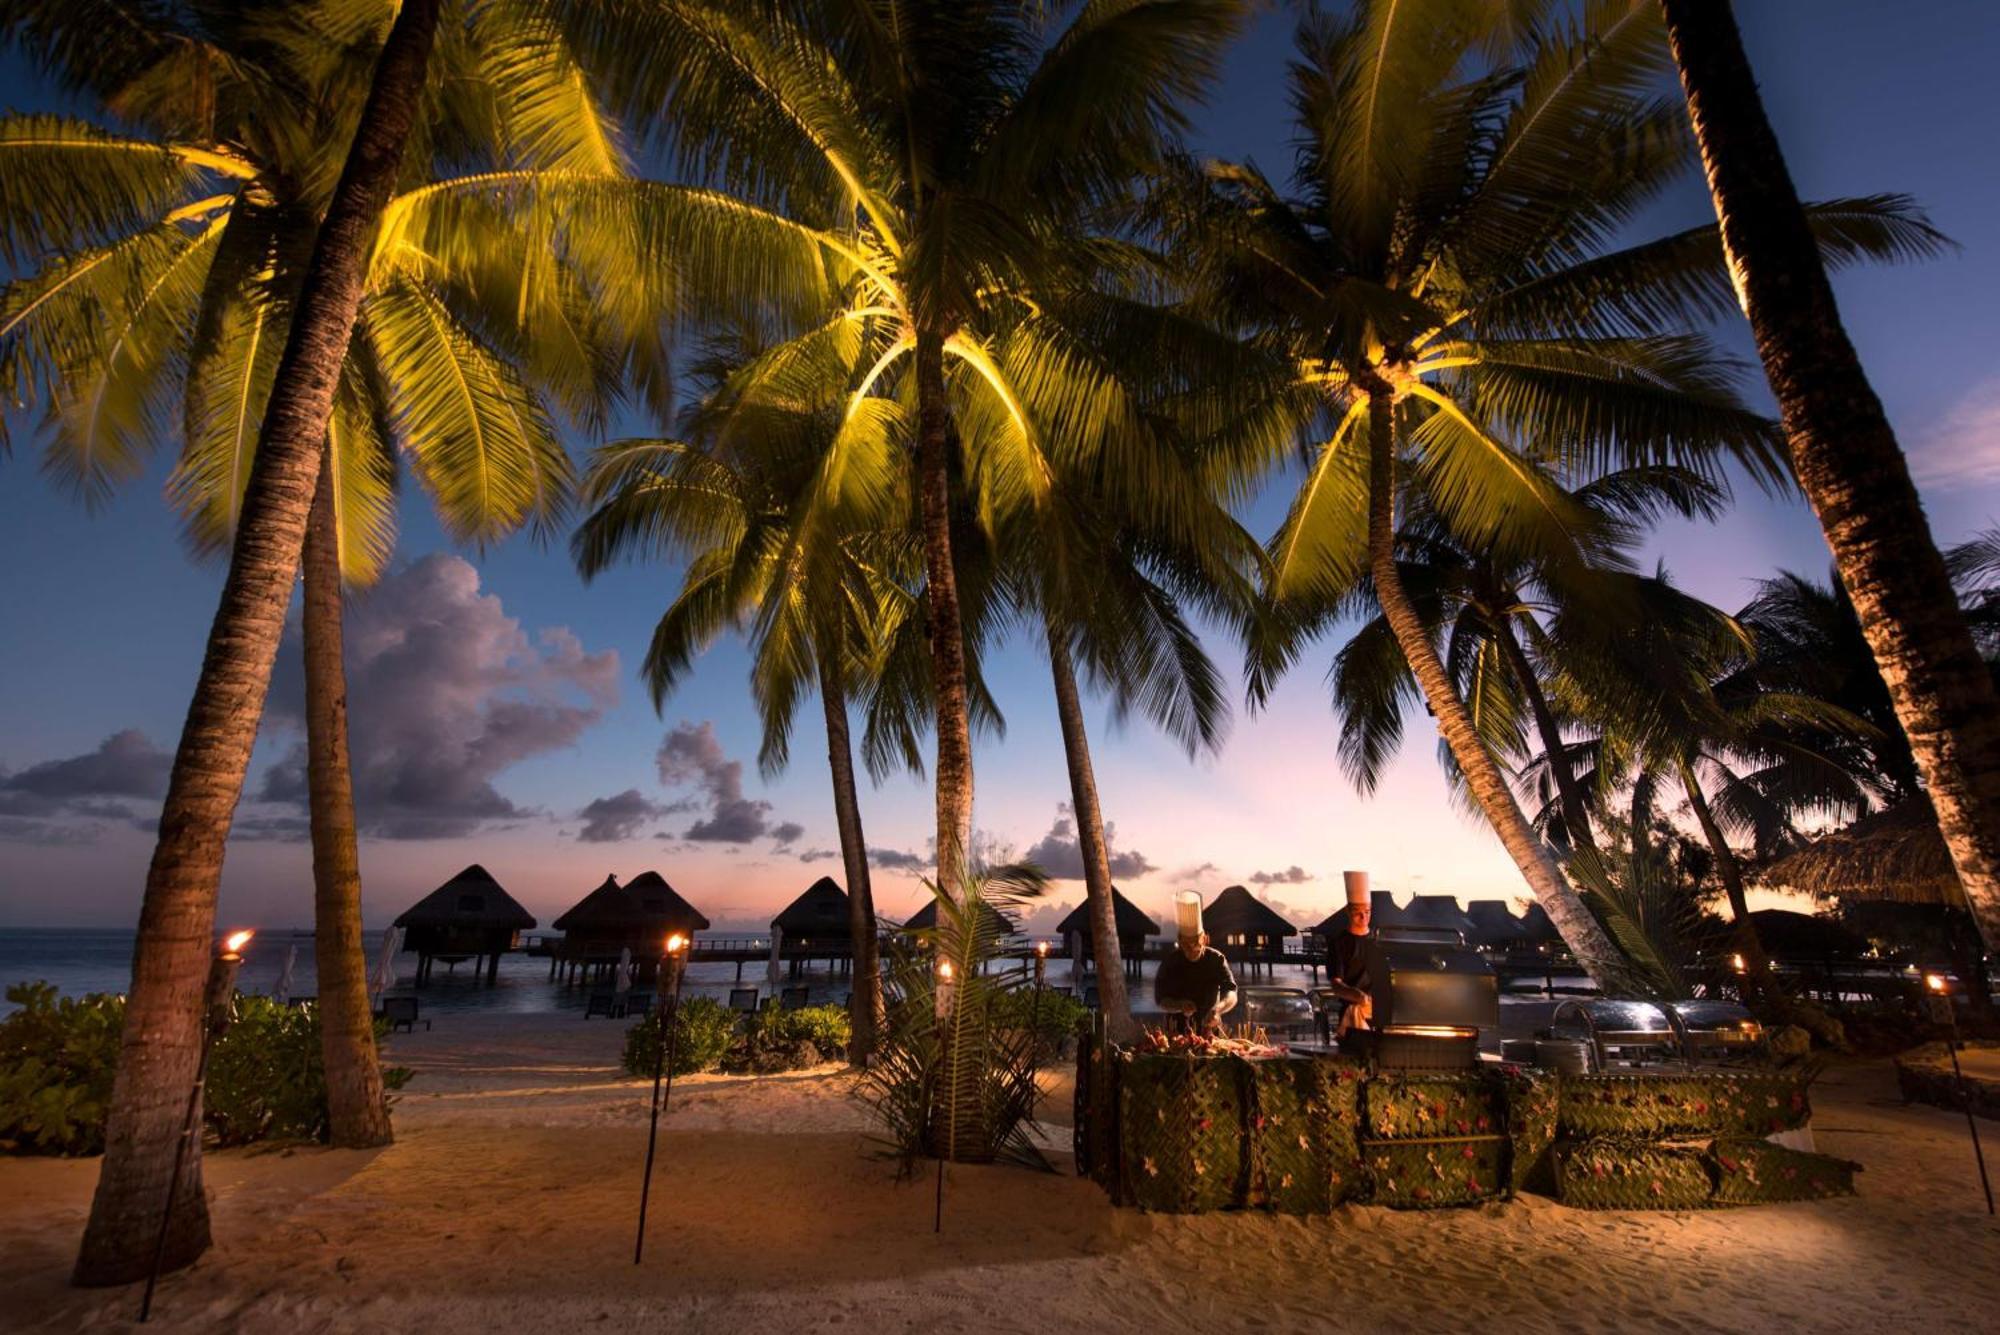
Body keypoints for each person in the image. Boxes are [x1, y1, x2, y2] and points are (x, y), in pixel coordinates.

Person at [1326, 871, 1388, 1053]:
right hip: (1352, 1013)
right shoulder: (1339, 943)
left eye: (1367, 912)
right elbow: (1336, 985)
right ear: (1348, 912)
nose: (1363, 918)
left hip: (1379, 1011)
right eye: (1357, 913)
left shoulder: (1378, 940)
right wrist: (1357, 996)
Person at [1155, 928, 1238, 1036]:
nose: (1191, 948)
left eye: (1195, 943)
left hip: (1210, 1029)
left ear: (1204, 939)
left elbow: (1231, 993)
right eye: (1186, 944)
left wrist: (1218, 1009)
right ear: (1179, 941)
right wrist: (1179, 1005)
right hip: (1175, 1031)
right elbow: (1161, 1000)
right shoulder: (1170, 962)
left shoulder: (1216, 959)